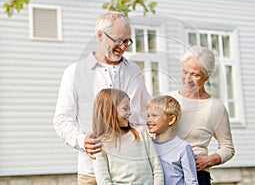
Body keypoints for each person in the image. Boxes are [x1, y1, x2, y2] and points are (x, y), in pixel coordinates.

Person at [53, 11, 151, 185]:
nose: (123, 47)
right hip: (92, 172)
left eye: (127, 41)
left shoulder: (134, 70)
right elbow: (62, 120)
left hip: (132, 172)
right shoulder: (74, 73)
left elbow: (148, 111)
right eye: (118, 40)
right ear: (100, 35)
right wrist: (82, 141)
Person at [167, 46, 235, 185]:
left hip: (196, 174)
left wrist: (210, 159)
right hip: (166, 170)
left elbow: (228, 147)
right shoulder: (167, 99)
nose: (188, 79)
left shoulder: (215, 107)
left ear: (207, 76)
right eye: (185, 72)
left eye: (195, 74)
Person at [92, 88, 164, 185]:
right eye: (125, 109)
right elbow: (103, 181)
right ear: (110, 111)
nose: (129, 112)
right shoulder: (99, 145)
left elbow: (157, 167)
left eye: (129, 108)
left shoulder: (141, 133)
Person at [146, 95, 198, 185]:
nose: (149, 120)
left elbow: (191, 181)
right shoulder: (147, 145)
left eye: (154, 115)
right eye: (148, 116)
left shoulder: (183, 147)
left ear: (171, 119)